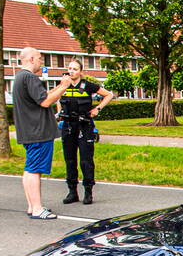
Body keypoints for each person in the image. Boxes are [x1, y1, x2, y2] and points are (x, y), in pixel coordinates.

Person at [13, 47, 70, 219]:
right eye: (39, 58)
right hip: (37, 131)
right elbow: (45, 101)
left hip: (29, 130)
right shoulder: (30, 77)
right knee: (34, 169)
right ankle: (37, 209)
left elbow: (42, 95)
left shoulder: (20, 77)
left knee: (29, 168)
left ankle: (32, 206)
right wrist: (65, 86)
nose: (41, 61)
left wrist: (59, 87)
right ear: (30, 59)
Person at [58, 59, 114, 205]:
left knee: (86, 160)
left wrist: (97, 109)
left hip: (84, 126)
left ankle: (88, 191)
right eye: (70, 68)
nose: (71, 71)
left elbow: (108, 95)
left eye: (75, 69)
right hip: (68, 126)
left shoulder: (88, 85)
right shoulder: (64, 85)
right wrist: (60, 114)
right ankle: (72, 192)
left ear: (81, 72)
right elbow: (58, 98)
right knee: (70, 160)